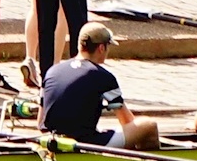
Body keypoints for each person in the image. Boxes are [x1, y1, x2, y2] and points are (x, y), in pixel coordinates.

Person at [42, 21, 166, 149]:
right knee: (148, 126)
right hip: (84, 143)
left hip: (50, 140)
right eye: (108, 46)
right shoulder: (103, 77)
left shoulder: (52, 71)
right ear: (101, 48)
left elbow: (41, 120)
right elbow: (127, 122)